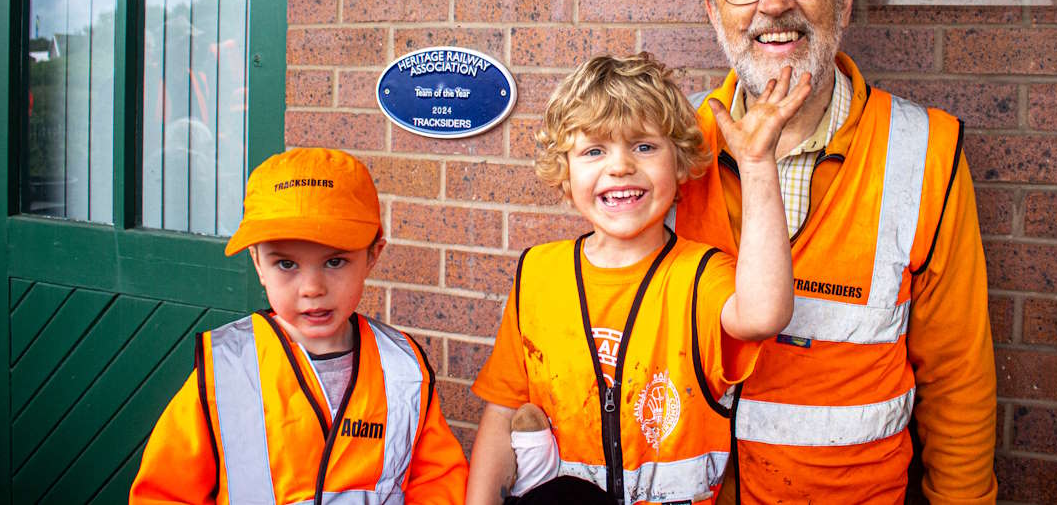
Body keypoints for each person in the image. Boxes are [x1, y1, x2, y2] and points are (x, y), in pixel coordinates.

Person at [675, 0, 998, 504]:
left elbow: (958, 376)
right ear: (714, 11)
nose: (772, 3)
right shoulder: (671, 144)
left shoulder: (922, 150)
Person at [466, 53, 810, 505]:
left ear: (681, 162)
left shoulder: (701, 274)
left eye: (644, 146)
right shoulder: (538, 273)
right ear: (565, 174)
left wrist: (757, 164)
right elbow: (504, 408)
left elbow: (765, 314)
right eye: (593, 151)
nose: (620, 166)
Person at [130, 147, 469, 504]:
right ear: (258, 264)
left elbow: (438, 481)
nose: (312, 289)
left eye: (335, 261)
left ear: (372, 255)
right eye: (287, 265)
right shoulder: (226, 370)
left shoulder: (402, 367)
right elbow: (164, 493)